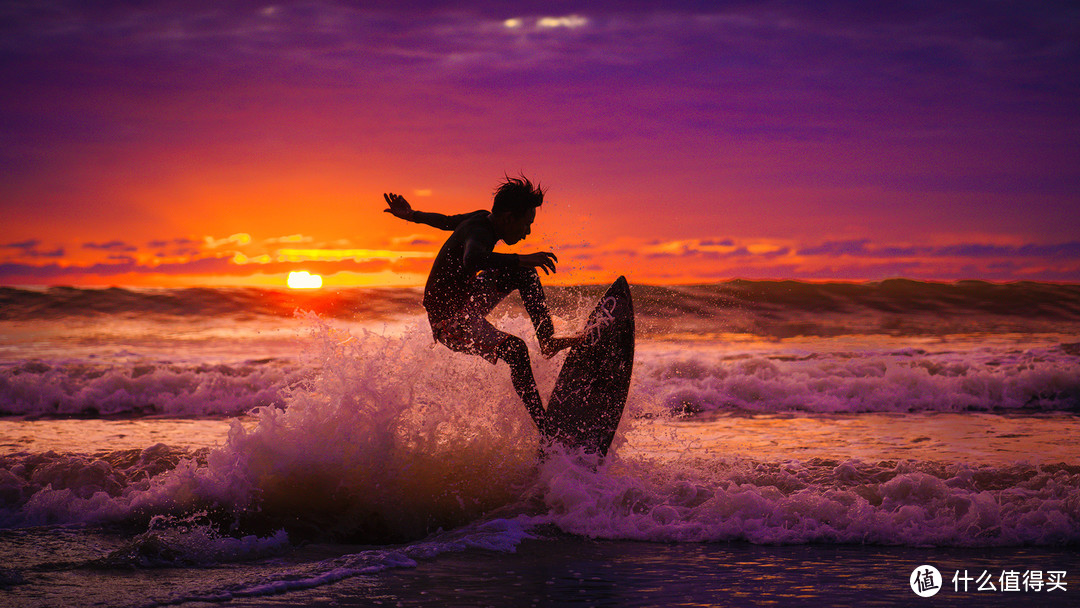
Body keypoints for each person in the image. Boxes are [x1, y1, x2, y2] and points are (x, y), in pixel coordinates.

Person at [383, 176, 580, 433]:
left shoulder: (480, 218)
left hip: (467, 300)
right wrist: (521, 258)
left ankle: (547, 340)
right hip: (449, 323)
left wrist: (411, 214)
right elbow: (472, 260)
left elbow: (445, 221)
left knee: (525, 274)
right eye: (526, 224)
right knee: (516, 350)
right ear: (509, 217)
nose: (528, 232)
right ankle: (545, 430)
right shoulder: (479, 231)